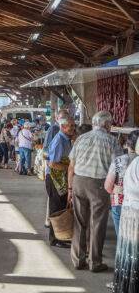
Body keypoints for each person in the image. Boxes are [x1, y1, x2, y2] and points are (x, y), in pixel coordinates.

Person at [68, 111, 122, 272]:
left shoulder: (81, 138)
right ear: (107, 125)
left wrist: (70, 188)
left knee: (79, 222)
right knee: (97, 223)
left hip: (79, 181)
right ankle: (94, 262)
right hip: (99, 185)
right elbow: (117, 168)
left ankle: (78, 260)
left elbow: (71, 166)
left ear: (94, 124)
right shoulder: (112, 141)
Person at [46, 115, 75, 248]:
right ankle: (54, 239)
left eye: (73, 126)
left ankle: (61, 235)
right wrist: (70, 167)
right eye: (71, 126)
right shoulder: (59, 140)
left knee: (62, 208)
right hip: (54, 179)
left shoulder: (67, 139)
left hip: (61, 179)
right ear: (63, 127)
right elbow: (52, 164)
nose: (73, 129)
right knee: (56, 209)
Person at [111, 155, 139, 293]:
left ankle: (125, 285)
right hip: (133, 211)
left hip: (126, 208)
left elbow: (108, 186)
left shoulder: (129, 161)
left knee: (127, 250)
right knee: (132, 251)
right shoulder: (135, 163)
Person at [105, 130, 139, 236]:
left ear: (127, 144)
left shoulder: (119, 161)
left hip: (120, 202)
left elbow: (108, 187)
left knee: (122, 237)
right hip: (136, 203)